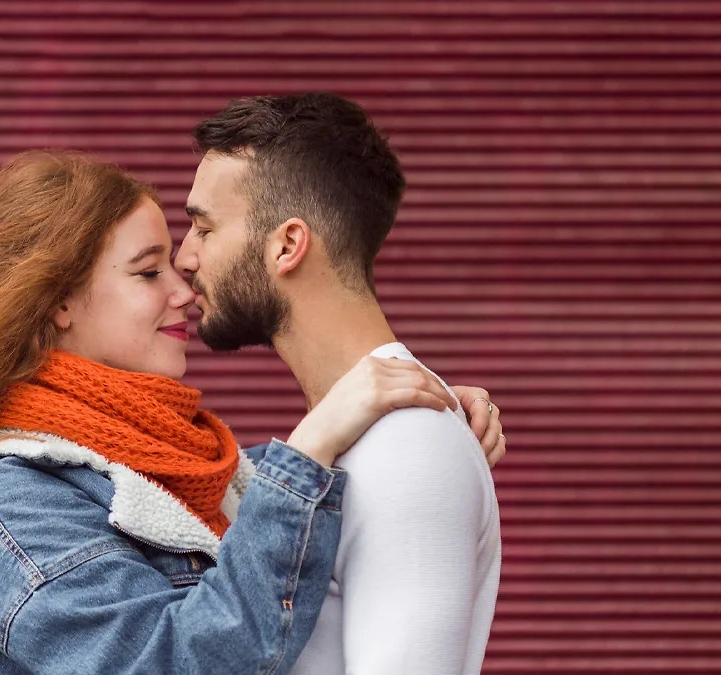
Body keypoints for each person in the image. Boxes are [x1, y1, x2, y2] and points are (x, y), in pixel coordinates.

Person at [0, 151, 504, 674]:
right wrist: (312, 447)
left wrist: (417, 413)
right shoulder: (13, 503)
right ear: (60, 302)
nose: (183, 288)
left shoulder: (174, 471)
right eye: (148, 273)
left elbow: (266, 503)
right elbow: (172, 662)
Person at [176, 92, 503, 674]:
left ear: (287, 245)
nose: (185, 257)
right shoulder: (359, 435)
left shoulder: (410, 445)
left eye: (204, 227)